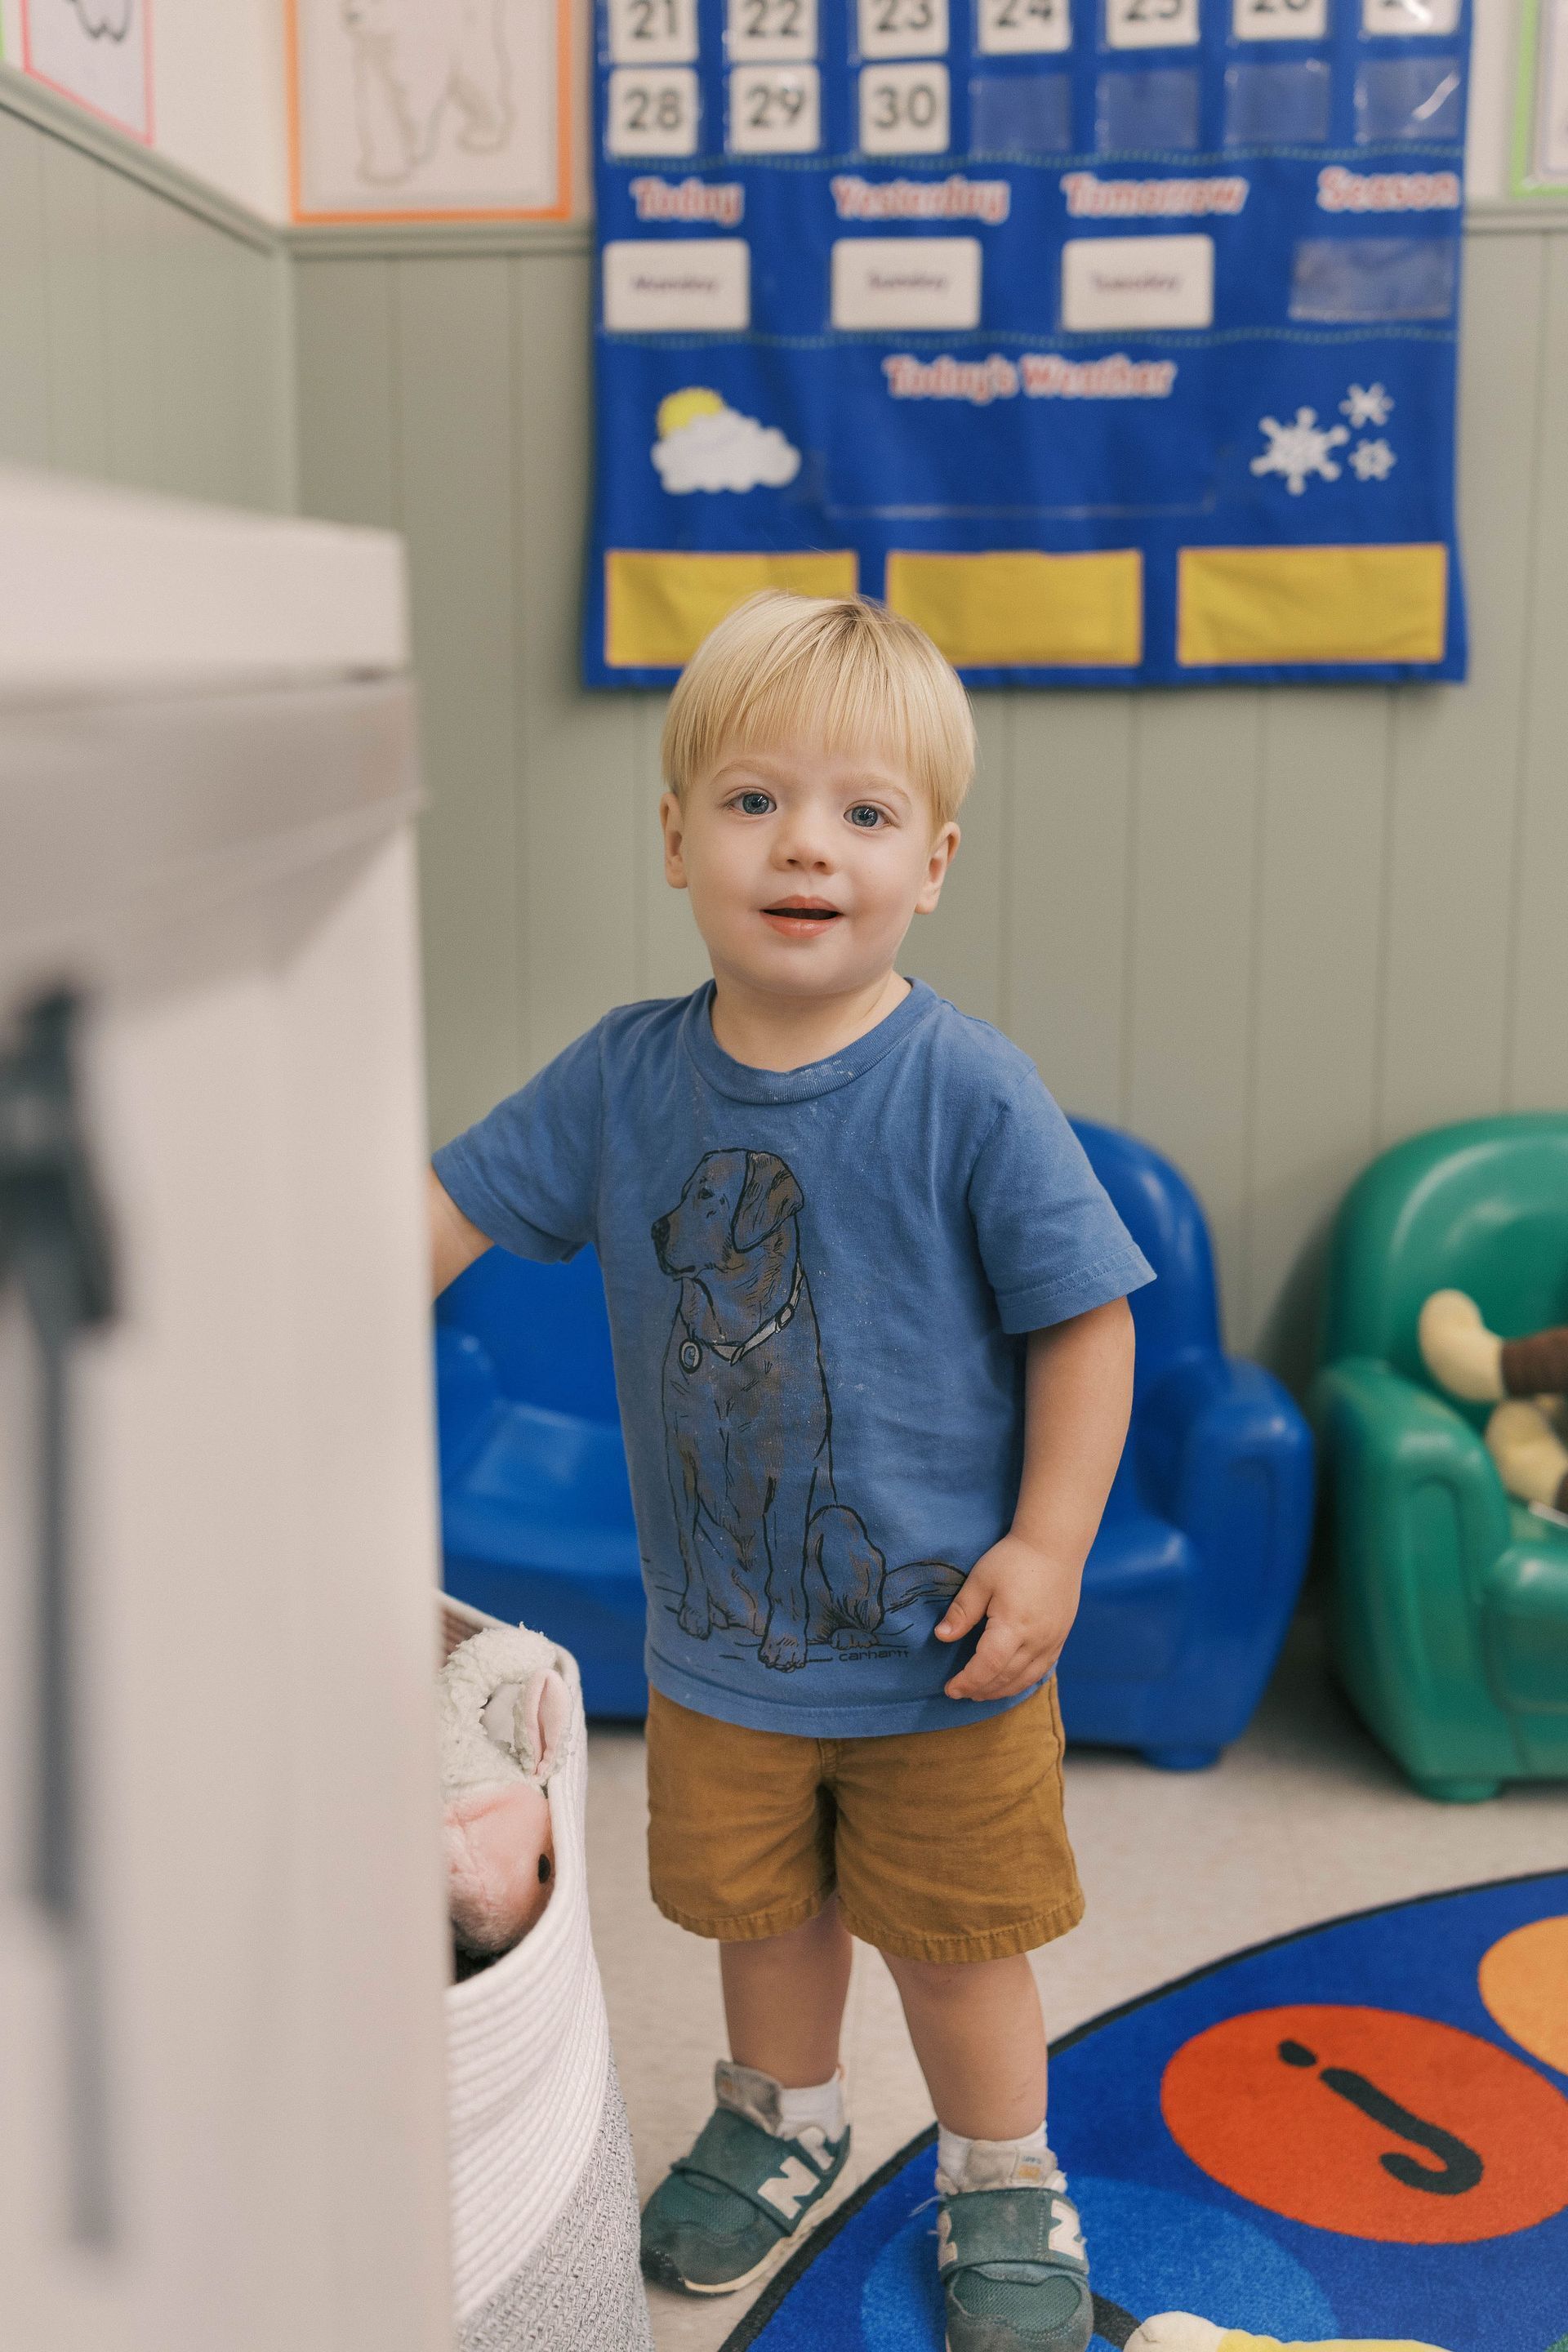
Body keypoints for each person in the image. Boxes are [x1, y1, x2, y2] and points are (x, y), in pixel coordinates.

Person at [428, 591, 1153, 2352]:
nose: (805, 845)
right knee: (767, 1918)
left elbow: (1088, 1325)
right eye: (753, 802)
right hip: (723, 1650)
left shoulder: (969, 1089)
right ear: (677, 838)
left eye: (865, 813)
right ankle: (786, 2117)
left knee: (961, 1942)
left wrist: (1051, 1550)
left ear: (934, 861)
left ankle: (1001, 2171)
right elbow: (436, 1222)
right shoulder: (623, 1078)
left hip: (944, 1656)